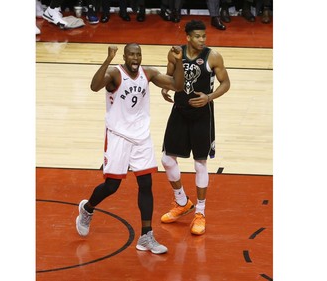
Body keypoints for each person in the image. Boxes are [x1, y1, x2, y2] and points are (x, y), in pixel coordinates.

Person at [75, 43, 185, 254]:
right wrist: (108, 59)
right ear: (125, 56)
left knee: (146, 184)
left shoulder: (148, 73)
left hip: (141, 137)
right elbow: (94, 86)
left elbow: (177, 85)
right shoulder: (115, 74)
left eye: (138, 54)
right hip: (118, 135)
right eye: (131, 55)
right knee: (112, 186)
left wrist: (178, 61)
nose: (135, 58)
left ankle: (146, 235)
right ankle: (87, 209)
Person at [160, 20, 230, 235]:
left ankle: (200, 212)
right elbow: (170, 76)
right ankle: (182, 202)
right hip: (180, 110)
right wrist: (165, 88)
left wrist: (209, 97)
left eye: (204, 36)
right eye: (198, 36)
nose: (202, 40)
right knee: (166, 158)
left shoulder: (213, 56)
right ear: (188, 37)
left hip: (202, 114)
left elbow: (225, 83)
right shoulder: (175, 53)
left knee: (200, 163)